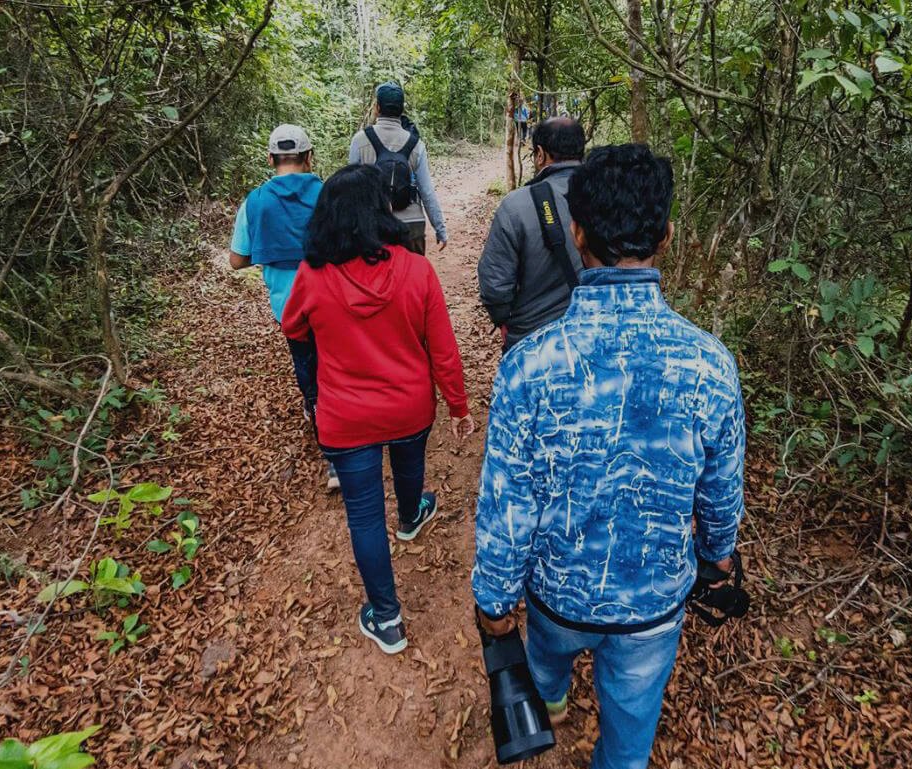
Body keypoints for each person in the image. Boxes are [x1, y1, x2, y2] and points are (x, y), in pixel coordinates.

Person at [470, 144, 746, 769]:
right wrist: (718, 558)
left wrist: (493, 603)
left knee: (544, 669)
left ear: (576, 233)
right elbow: (721, 494)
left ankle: (554, 699)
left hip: (556, 595)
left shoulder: (529, 365)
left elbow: (508, 507)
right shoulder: (709, 364)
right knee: (628, 744)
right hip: (652, 604)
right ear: (667, 236)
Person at [282, 164, 474, 654]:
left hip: (346, 417)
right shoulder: (416, 268)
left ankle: (387, 619)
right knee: (410, 465)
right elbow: (443, 348)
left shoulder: (313, 275)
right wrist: (457, 404)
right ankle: (411, 516)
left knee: (364, 517)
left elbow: (293, 329)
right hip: (409, 406)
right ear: (382, 210)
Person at [227, 124, 335, 489]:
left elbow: (237, 260)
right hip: (333, 300)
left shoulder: (254, 201)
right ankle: (339, 445)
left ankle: (320, 420)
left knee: (306, 364)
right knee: (335, 364)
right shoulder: (328, 195)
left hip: (288, 307)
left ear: (271, 159)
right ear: (309, 157)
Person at [476, 117, 586, 350]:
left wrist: (504, 320)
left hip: (532, 343)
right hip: (594, 336)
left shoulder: (516, 205)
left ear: (540, 154)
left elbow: (495, 285)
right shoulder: (609, 197)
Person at [347, 82, 447, 255]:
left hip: (373, 225)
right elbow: (427, 191)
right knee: (410, 278)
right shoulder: (416, 144)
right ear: (402, 109)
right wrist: (440, 229)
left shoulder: (360, 140)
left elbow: (350, 189)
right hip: (410, 225)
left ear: (377, 107)